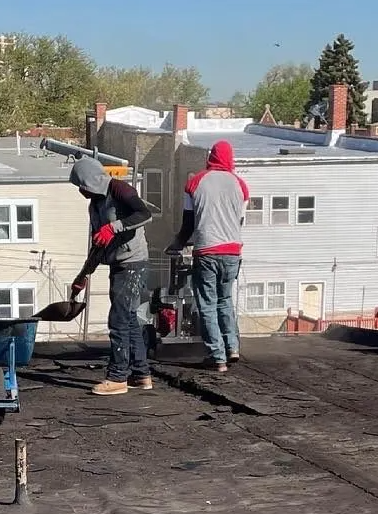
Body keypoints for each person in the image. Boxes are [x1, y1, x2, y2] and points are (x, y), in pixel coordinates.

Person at [68, 157, 154, 396]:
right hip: (118, 264)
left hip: (133, 263)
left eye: (81, 185)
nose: (81, 191)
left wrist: (113, 226)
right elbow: (98, 243)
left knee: (117, 321)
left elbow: (145, 214)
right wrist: (83, 275)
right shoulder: (95, 204)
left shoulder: (119, 190)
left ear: (91, 181)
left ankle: (117, 377)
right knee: (127, 319)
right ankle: (141, 374)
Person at [168, 139, 250, 373]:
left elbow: (188, 223)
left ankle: (217, 357)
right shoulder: (240, 185)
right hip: (233, 252)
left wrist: (177, 243)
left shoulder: (195, 182)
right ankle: (232, 347)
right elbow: (238, 221)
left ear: (210, 157)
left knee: (207, 304)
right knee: (225, 300)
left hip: (207, 252)